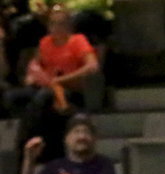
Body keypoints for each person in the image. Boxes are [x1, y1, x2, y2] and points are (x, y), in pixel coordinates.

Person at [5, 5, 99, 159]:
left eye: (61, 23)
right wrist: (31, 75)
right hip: (47, 85)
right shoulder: (45, 43)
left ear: (69, 25)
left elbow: (92, 66)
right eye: (53, 23)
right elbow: (35, 64)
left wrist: (60, 80)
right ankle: (21, 139)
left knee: (43, 97)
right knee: (12, 96)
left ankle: (30, 144)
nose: (57, 28)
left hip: (69, 89)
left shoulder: (77, 41)